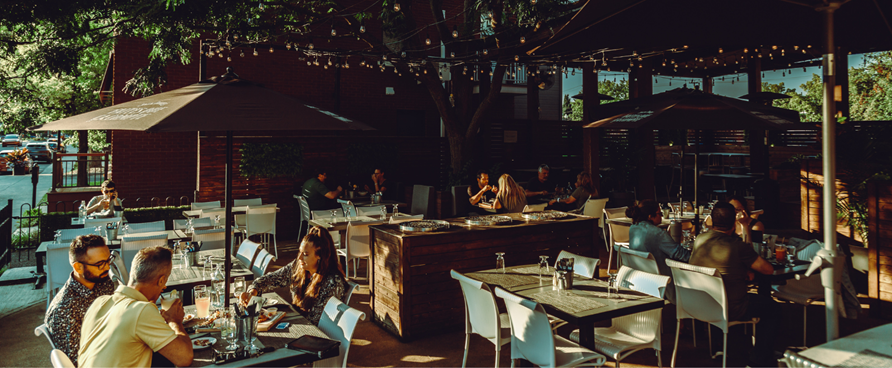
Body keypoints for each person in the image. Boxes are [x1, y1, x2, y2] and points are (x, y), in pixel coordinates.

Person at [689, 202, 777, 367]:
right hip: (730, 308)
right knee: (772, 308)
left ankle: (722, 347)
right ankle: (759, 359)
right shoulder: (736, 246)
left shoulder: (700, 239)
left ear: (712, 221)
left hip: (700, 303)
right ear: (733, 223)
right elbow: (768, 270)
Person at [78, 246, 193, 368]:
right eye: (165, 282)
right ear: (161, 281)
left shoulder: (98, 303)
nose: (164, 287)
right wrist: (175, 321)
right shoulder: (142, 310)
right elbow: (184, 358)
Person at [240, 226, 347, 325]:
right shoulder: (298, 267)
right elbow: (270, 279)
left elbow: (315, 320)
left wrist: (277, 319)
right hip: (298, 320)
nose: (299, 258)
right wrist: (252, 291)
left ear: (320, 256)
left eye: (305, 254)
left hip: (314, 332)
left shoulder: (333, 281)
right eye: (300, 252)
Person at [44, 235, 116, 366]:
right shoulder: (64, 309)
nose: (107, 268)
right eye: (100, 264)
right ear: (78, 267)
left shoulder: (103, 282)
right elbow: (75, 362)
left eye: (108, 260)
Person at [626, 200, 690, 303]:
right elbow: (681, 254)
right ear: (650, 216)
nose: (662, 217)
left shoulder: (633, 228)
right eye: (660, 214)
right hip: (664, 282)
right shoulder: (658, 234)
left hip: (641, 280)